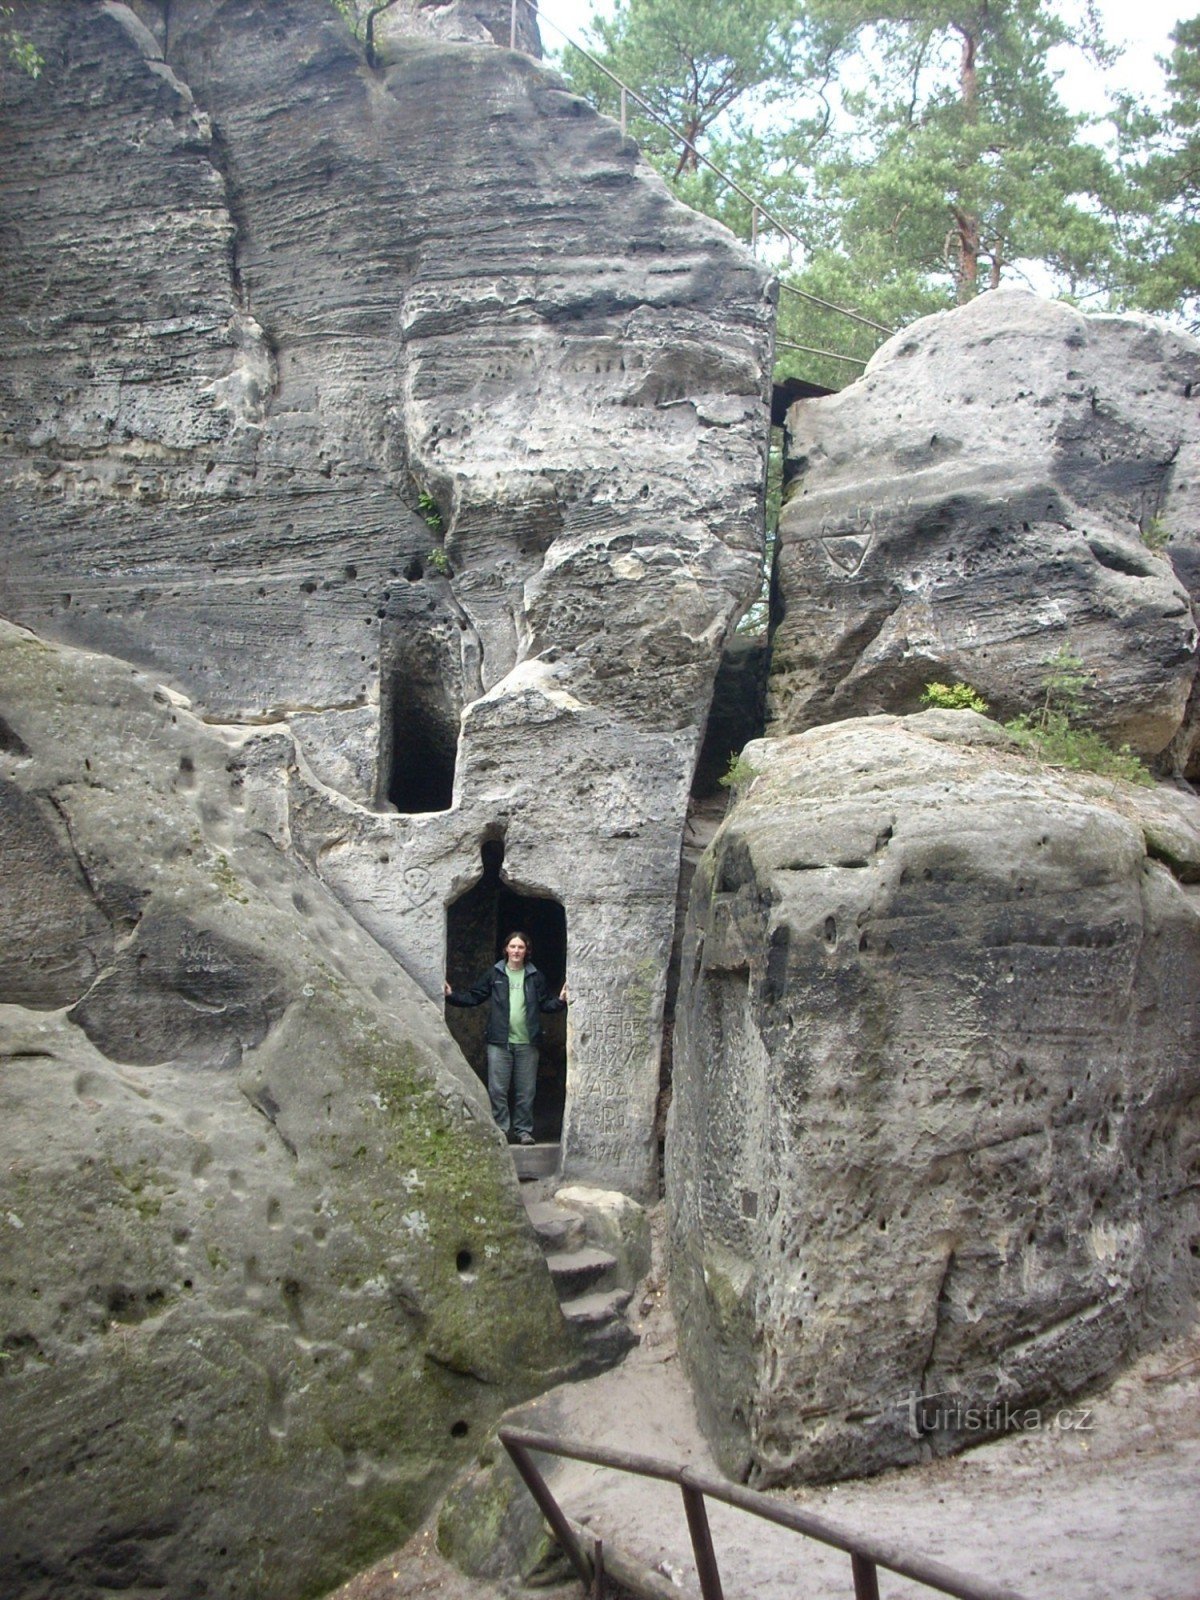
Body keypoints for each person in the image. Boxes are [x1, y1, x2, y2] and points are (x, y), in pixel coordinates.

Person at [444, 931, 568, 1146]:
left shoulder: (535, 976)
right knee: (497, 1089)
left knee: (526, 1090)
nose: (516, 951)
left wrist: (561, 1000)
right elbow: (475, 996)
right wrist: (451, 995)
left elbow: (546, 1004)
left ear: (526, 951)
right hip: (499, 1042)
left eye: (521, 947)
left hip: (527, 1042)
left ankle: (523, 1131)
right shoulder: (495, 974)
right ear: (506, 949)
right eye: (513, 947)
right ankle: (501, 1128)